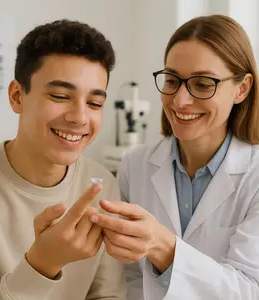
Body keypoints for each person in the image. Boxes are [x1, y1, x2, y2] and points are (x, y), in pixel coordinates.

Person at [90, 14, 259, 299]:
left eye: (203, 84)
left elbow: (249, 290)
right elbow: (129, 278)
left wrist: (164, 249)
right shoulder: (136, 164)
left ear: (241, 88)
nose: (180, 100)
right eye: (172, 80)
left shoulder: (253, 175)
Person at [0, 19, 126, 300]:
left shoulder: (101, 185)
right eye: (60, 96)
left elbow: (107, 295)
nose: (80, 117)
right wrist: (43, 263)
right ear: (16, 96)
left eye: (95, 103)